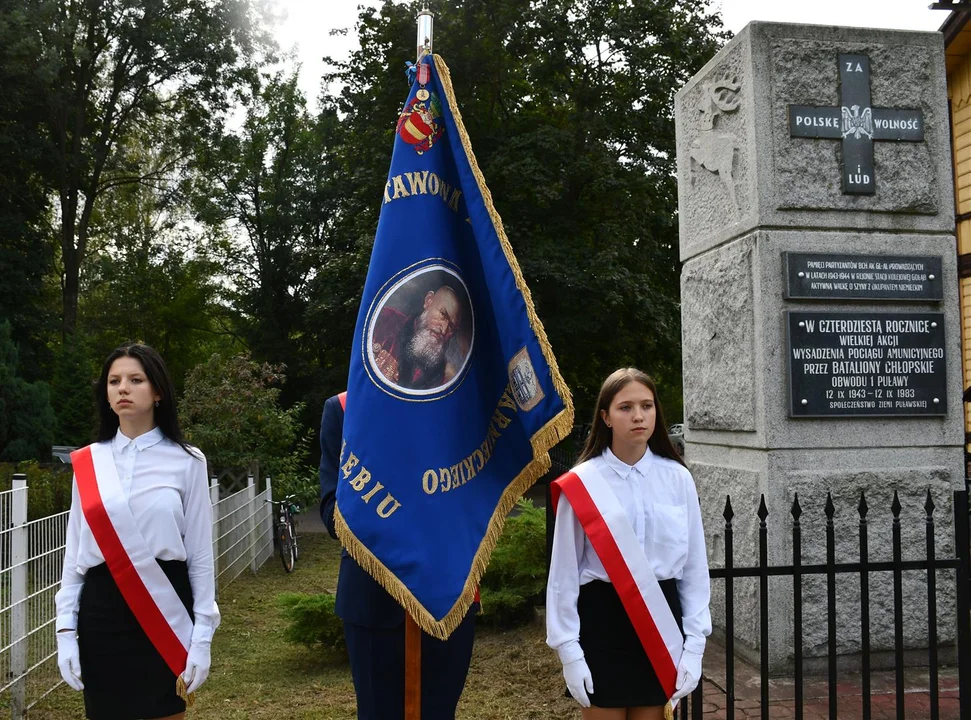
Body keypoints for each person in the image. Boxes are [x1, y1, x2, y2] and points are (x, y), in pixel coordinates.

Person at [54, 343, 219, 720]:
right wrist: (65, 631)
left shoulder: (187, 461)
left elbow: (200, 557)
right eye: (114, 381)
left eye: (135, 379)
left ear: (157, 391)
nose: (122, 388)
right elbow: (74, 555)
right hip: (102, 614)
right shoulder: (87, 463)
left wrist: (203, 637)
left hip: (165, 607)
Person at [546, 368, 711, 719]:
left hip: (660, 621)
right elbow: (563, 574)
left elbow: (694, 570)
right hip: (602, 624)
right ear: (605, 416)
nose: (638, 416)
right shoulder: (583, 483)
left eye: (647, 406)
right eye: (625, 407)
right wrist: (570, 652)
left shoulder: (678, 478)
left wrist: (695, 646)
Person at [319, 392, 477, 720]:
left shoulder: (458, 404)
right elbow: (331, 510)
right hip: (371, 600)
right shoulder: (343, 408)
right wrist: (394, 508)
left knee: (439, 712)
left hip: (446, 591)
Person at [371, 285, 467, 389]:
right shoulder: (385, 320)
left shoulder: (442, 379)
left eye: (451, 327)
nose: (443, 330)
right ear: (428, 301)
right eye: (443, 314)